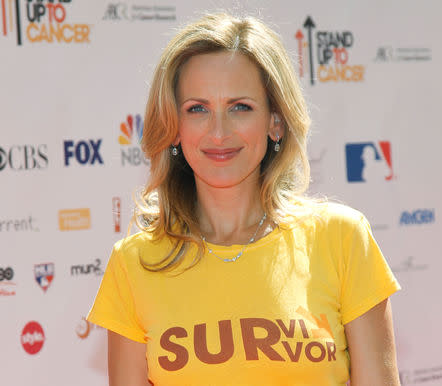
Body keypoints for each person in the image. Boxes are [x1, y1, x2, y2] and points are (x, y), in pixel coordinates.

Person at [87, 12, 401, 386]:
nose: (218, 132)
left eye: (240, 107)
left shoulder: (342, 239)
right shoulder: (134, 263)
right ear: (173, 127)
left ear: (275, 122)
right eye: (197, 109)